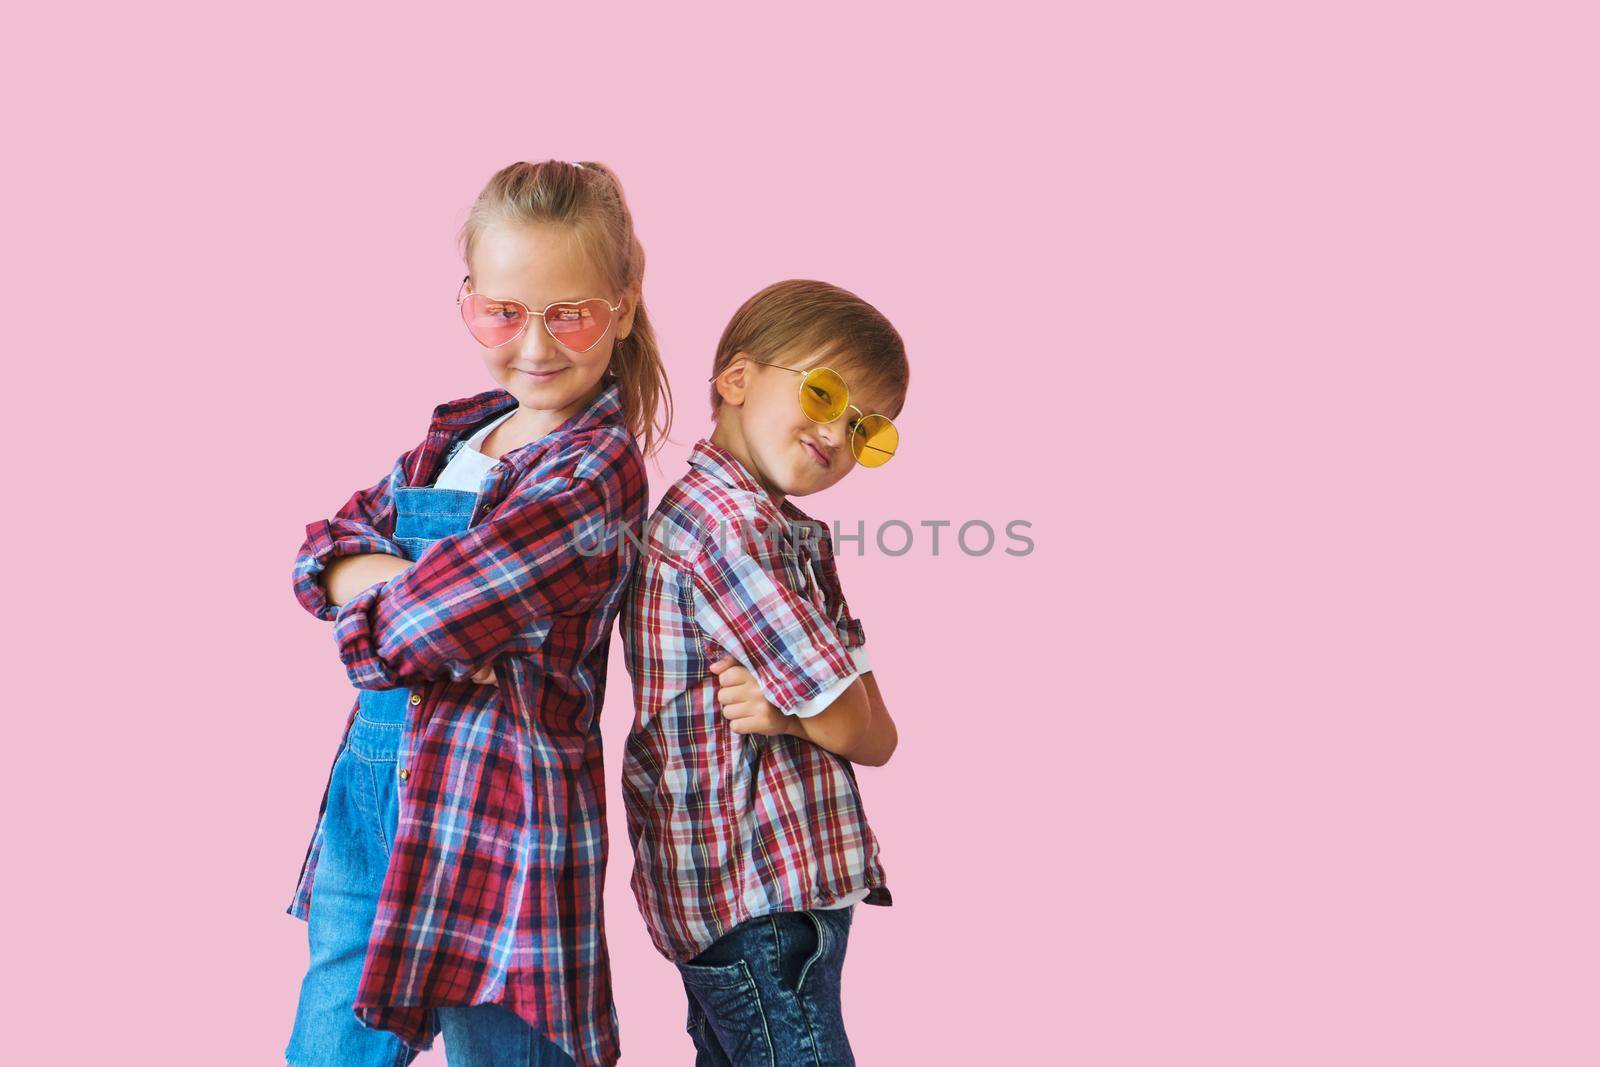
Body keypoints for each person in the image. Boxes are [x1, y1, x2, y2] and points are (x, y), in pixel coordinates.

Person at [284, 159, 669, 1067]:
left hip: (505, 816)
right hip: (372, 791)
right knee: (327, 1046)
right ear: (466, 298)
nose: (533, 346)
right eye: (501, 312)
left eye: (568, 313)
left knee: (508, 1051)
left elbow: (422, 626)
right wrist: (389, 590)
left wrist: (377, 584)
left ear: (622, 301)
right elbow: (315, 552)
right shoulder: (457, 433)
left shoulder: (594, 469)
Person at [620, 279, 907, 1065]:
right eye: (822, 391)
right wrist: (817, 714)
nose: (835, 432)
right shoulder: (732, 526)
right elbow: (861, 727)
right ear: (737, 379)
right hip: (762, 893)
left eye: (866, 429)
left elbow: (872, 727)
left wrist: (800, 712)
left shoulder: (754, 523)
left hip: (734, 895)